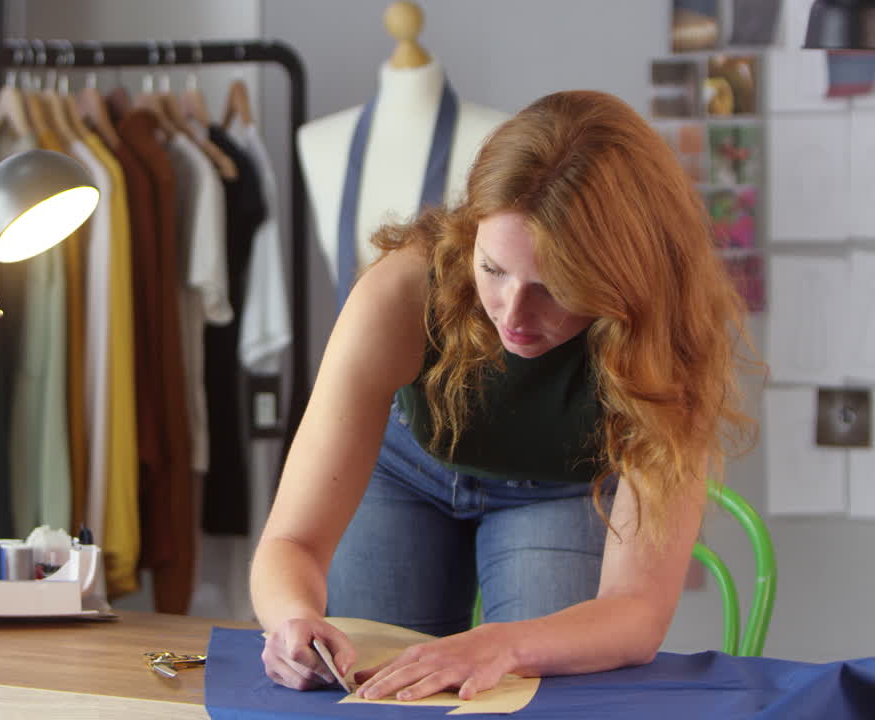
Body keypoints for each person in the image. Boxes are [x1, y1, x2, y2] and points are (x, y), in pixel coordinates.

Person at [250, 89, 760, 702]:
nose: (512, 315)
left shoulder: (669, 342)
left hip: (562, 487)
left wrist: (506, 643)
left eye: (553, 287)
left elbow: (636, 614)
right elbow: (291, 543)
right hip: (405, 470)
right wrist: (292, 620)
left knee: (536, 699)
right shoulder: (401, 292)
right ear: (473, 233)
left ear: (622, 278)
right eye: (493, 269)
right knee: (373, 695)